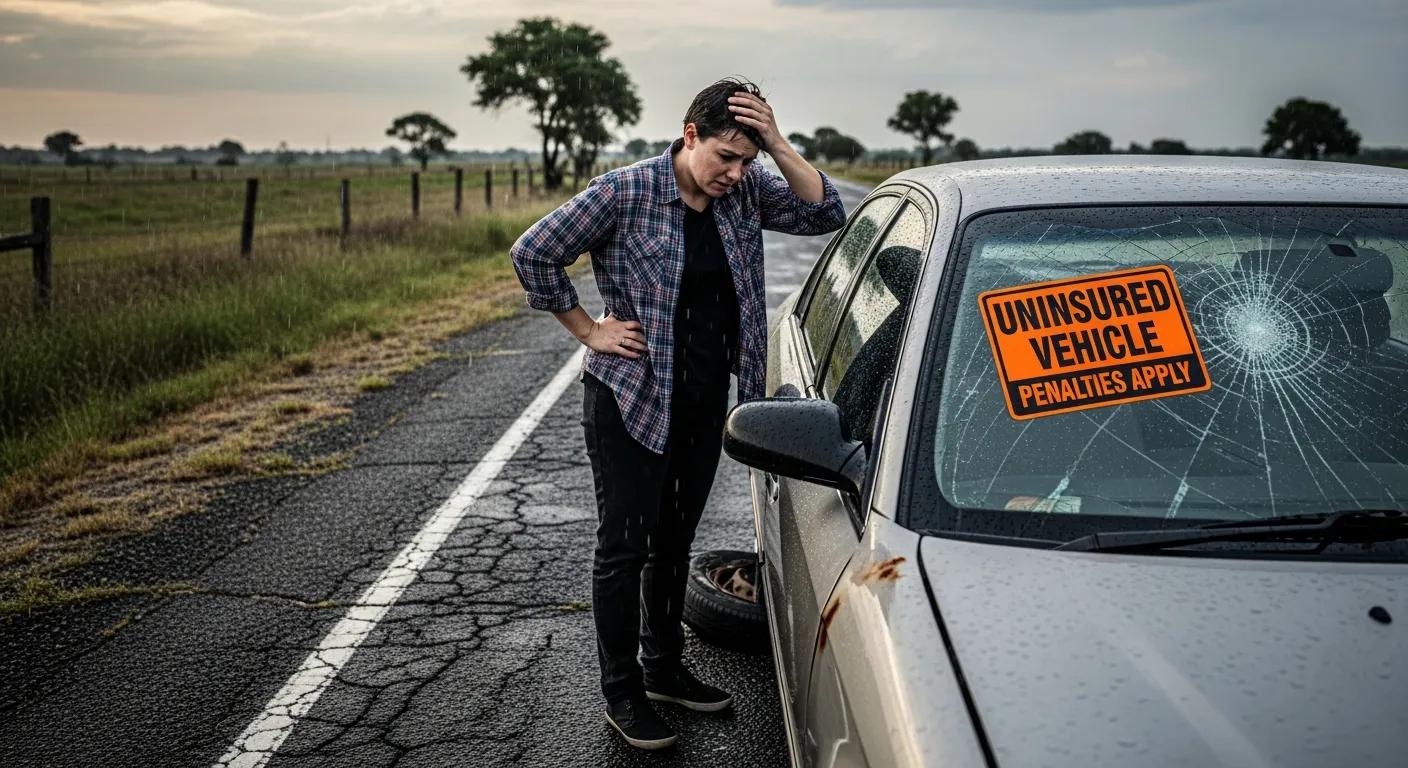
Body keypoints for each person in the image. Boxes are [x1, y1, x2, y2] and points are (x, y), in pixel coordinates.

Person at [509, 77, 846, 750]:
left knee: (674, 543)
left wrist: (776, 141)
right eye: (726, 155)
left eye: (747, 160)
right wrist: (588, 330)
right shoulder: (623, 192)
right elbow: (534, 252)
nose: (735, 172)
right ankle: (623, 693)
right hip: (630, 399)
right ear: (689, 135)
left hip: (703, 402)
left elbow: (822, 213)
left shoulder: (745, 192)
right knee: (624, 548)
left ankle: (664, 670)